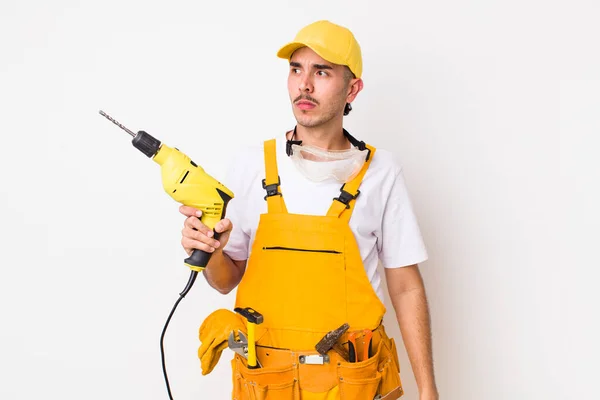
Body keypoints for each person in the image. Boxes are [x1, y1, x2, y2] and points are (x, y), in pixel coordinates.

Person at [180, 20, 439, 400]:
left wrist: (428, 390)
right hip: (268, 384)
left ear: (353, 88)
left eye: (322, 71)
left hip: (352, 384)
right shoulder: (252, 165)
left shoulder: (381, 173)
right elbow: (224, 280)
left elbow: (405, 286)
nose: (305, 84)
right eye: (296, 69)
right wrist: (208, 249)